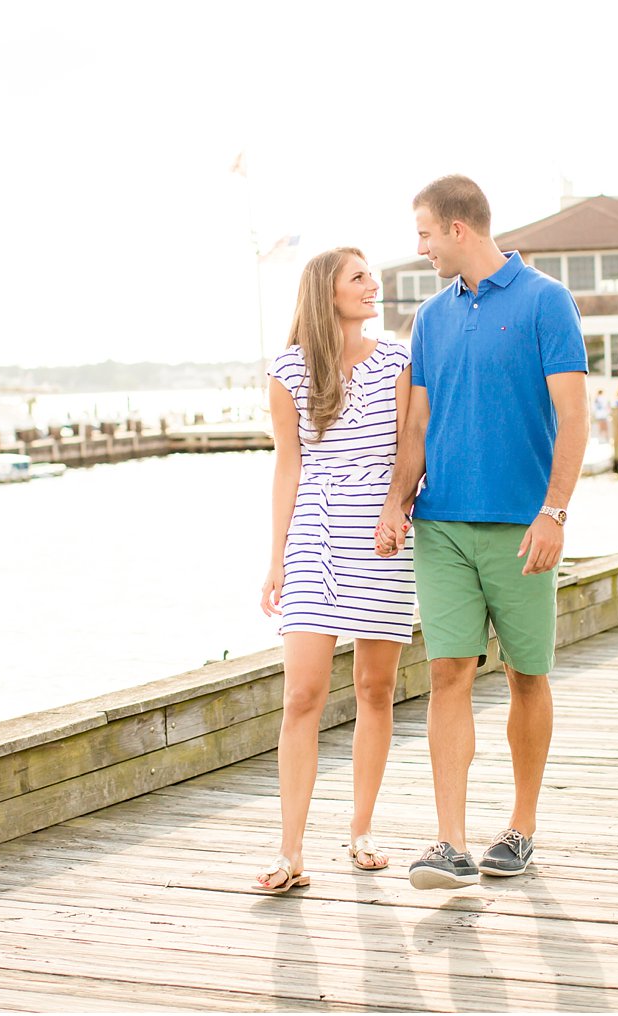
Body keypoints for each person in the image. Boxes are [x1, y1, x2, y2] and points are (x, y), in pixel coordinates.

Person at [375, 175, 588, 889]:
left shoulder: (546, 302)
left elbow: (575, 418)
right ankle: (450, 843)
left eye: (426, 234)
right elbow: (417, 425)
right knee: (447, 672)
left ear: (459, 229)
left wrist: (554, 511)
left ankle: (521, 828)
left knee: (528, 674)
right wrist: (396, 502)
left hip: (523, 528)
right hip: (443, 528)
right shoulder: (431, 319)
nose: (421, 247)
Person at [257, 247, 416, 892]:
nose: (372, 285)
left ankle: (361, 829)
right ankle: (290, 851)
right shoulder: (289, 371)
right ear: (327, 291)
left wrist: (396, 508)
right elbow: (287, 465)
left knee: (376, 689)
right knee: (302, 696)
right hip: (313, 544)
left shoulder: (399, 362)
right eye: (359, 277)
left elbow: (412, 447)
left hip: (381, 541)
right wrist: (275, 558)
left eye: (371, 276)